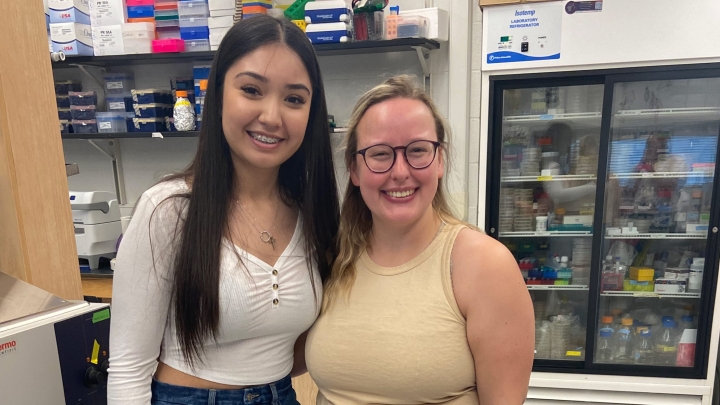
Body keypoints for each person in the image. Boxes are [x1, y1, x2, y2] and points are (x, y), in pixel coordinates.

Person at [107, 15, 340, 405]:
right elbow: (129, 369)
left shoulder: (312, 214)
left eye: (294, 98)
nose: (272, 116)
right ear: (218, 95)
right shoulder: (169, 210)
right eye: (252, 90)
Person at [305, 76, 535, 405]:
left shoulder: (484, 266)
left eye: (417, 150)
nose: (400, 171)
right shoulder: (334, 255)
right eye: (380, 154)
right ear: (354, 169)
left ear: (439, 160)